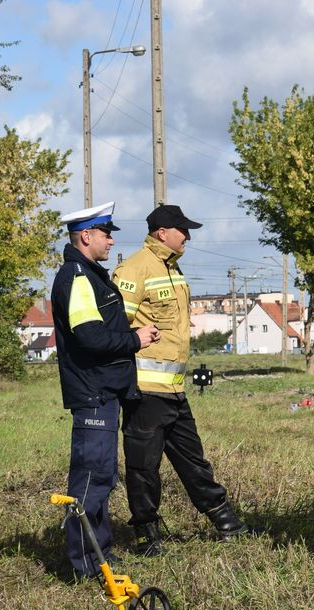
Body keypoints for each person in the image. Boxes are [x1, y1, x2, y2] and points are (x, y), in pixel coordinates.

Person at [113, 204, 248, 556]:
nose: (188, 236)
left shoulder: (173, 269)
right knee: (144, 466)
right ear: (162, 233)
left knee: (193, 459)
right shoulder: (134, 269)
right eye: (182, 230)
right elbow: (116, 329)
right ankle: (146, 535)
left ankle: (227, 522)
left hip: (174, 389)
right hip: (146, 391)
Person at [50, 202, 160, 578]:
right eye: (106, 233)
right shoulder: (78, 277)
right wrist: (134, 338)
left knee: (101, 477)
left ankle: (100, 556)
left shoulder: (90, 275)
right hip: (94, 393)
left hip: (103, 392)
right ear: (86, 236)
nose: (112, 240)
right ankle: (85, 565)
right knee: (90, 481)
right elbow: (91, 337)